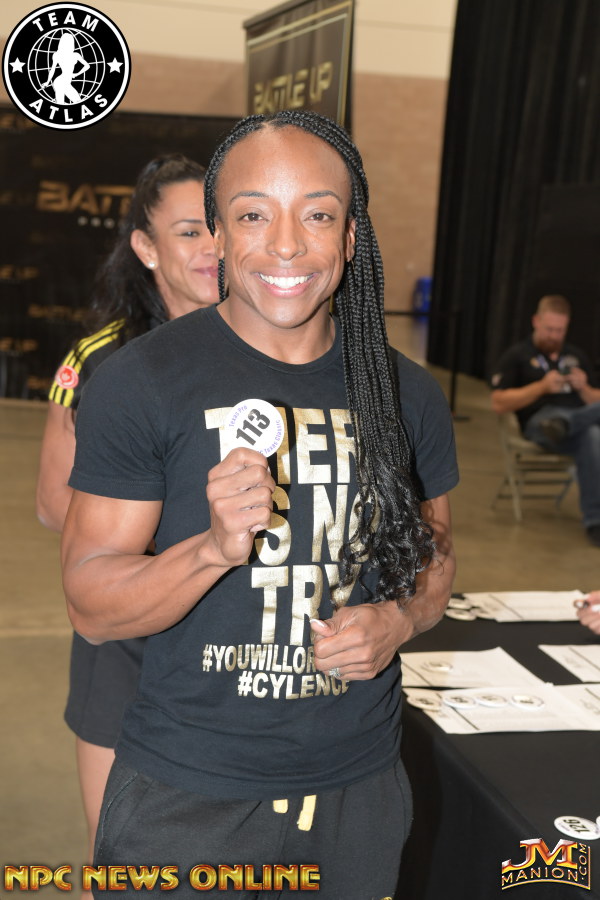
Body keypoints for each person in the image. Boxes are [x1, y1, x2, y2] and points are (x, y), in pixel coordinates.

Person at [61, 111, 458, 899]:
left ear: (351, 237)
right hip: (188, 796)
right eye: (252, 216)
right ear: (217, 235)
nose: (286, 245)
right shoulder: (142, 382)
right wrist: (211, 549)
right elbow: (91, 605)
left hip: (357, 793)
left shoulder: (405, 392)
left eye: (318, 215)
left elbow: (437, 559)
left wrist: (399, 619)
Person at [36, 153, 218, 867]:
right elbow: (54, 503)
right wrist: (178, 542)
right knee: (119, 860)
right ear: (145, 247)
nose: (211, 248)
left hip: (233, 643)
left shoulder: (271, 347)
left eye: (221, 227)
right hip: (128, 641)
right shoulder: (100, 358)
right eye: (188, 232)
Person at [491, 294, 600, 546]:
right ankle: (595, 520)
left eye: (560, 331)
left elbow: (595, 400)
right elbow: (498, 402)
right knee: (580, 429)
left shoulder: (576, 355)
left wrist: (584, 388)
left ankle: (595, 521)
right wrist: (541, 387)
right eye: (549, 329)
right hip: (541, 423)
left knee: (592, 435)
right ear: (536, 322)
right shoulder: (518, 355)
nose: (554, 336)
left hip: (577, 423)